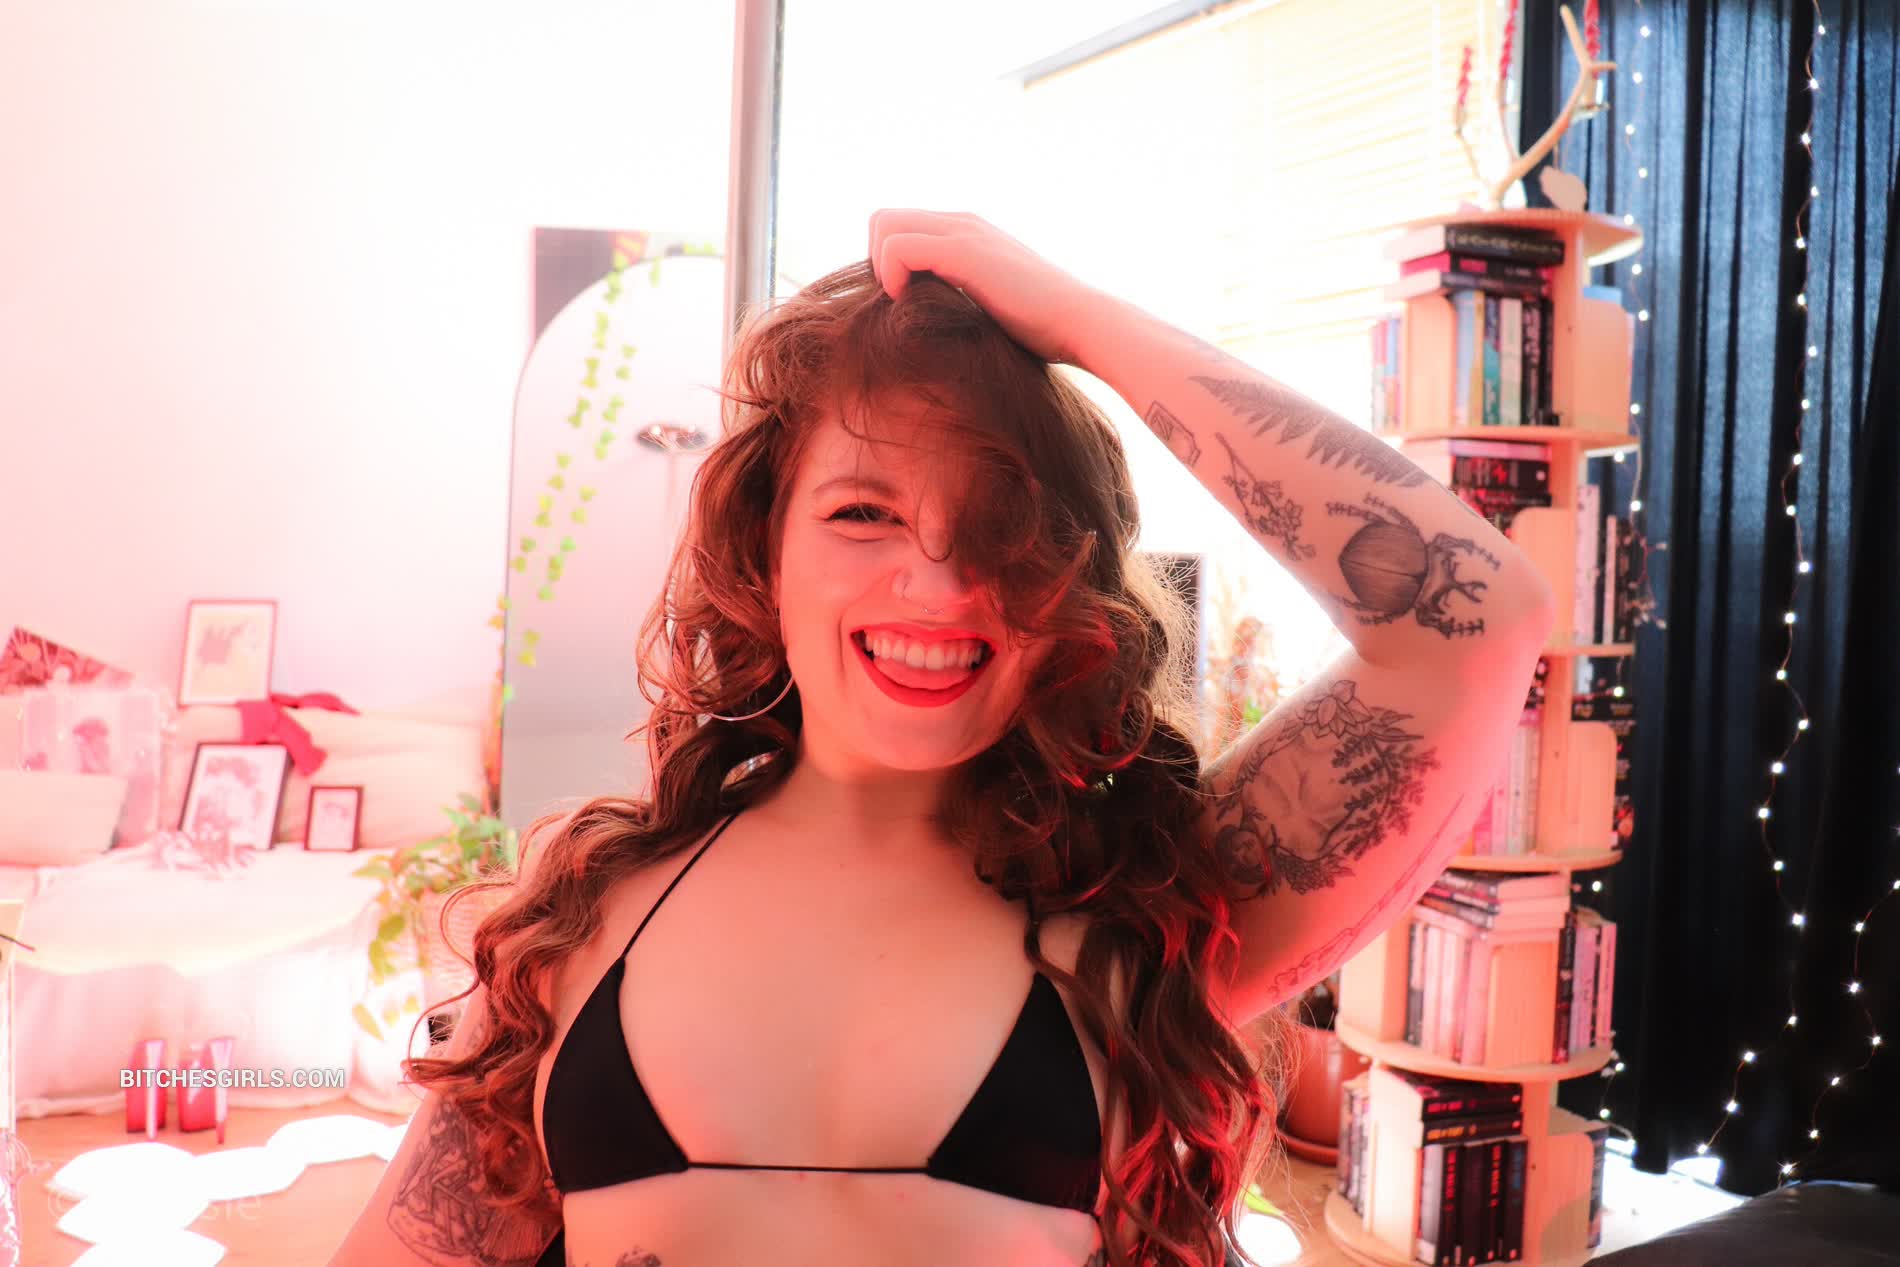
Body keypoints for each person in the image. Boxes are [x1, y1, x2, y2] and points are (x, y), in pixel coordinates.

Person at [330, 210, 1555, 1267]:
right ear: (764, 552)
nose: (937, 582)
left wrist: (1075, 321)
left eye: (1003, 525)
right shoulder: (576, 929)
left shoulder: (1154, 909)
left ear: (1070, 585)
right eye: (863, 512)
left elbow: (1474, 618)